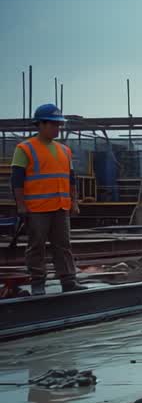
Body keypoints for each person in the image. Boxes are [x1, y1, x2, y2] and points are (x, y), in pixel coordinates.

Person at [10, 103, 85, 296]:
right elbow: (16, 180)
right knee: (37, 246)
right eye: (54, 124)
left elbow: (71, 178)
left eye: (59, 125)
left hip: (60, 206)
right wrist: (21, 205)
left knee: (63, 245)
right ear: (41, 124)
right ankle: (38, 282)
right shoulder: (24, 148)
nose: (58, 128)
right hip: (37, 208)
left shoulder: (64, 150)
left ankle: (68, 281)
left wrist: (74, 201)